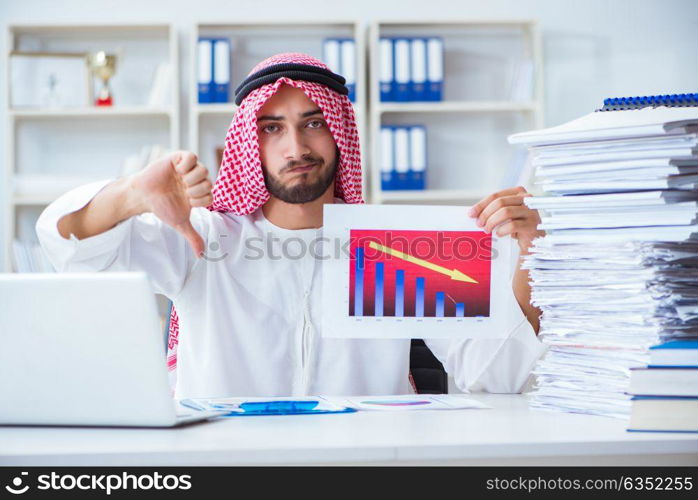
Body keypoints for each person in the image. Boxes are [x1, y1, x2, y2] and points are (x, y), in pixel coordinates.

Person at [37, 53, 546, 399]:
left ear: (339, 131)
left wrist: (533, 253)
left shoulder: (392, 247)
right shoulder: (205, 239)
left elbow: (502, 374)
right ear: (247, 144)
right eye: (272, 128)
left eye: (313, 122)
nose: (296, 148)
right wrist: (128, 196)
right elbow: (65, 247)